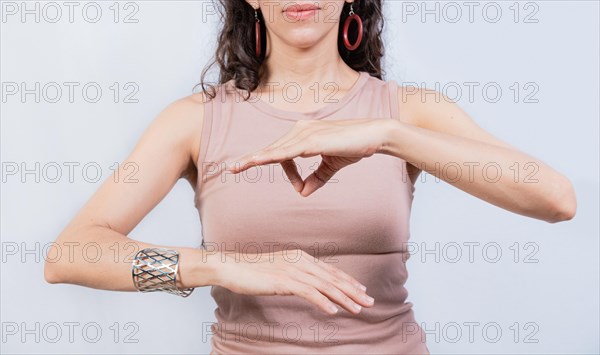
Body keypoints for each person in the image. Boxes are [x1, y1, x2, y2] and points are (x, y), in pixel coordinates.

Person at [44, 0, 577, 354]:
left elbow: (555, 199)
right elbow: (68, 255)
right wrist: (219, 266)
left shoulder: (406, 113)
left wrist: (388, 136)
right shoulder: (195, 120)